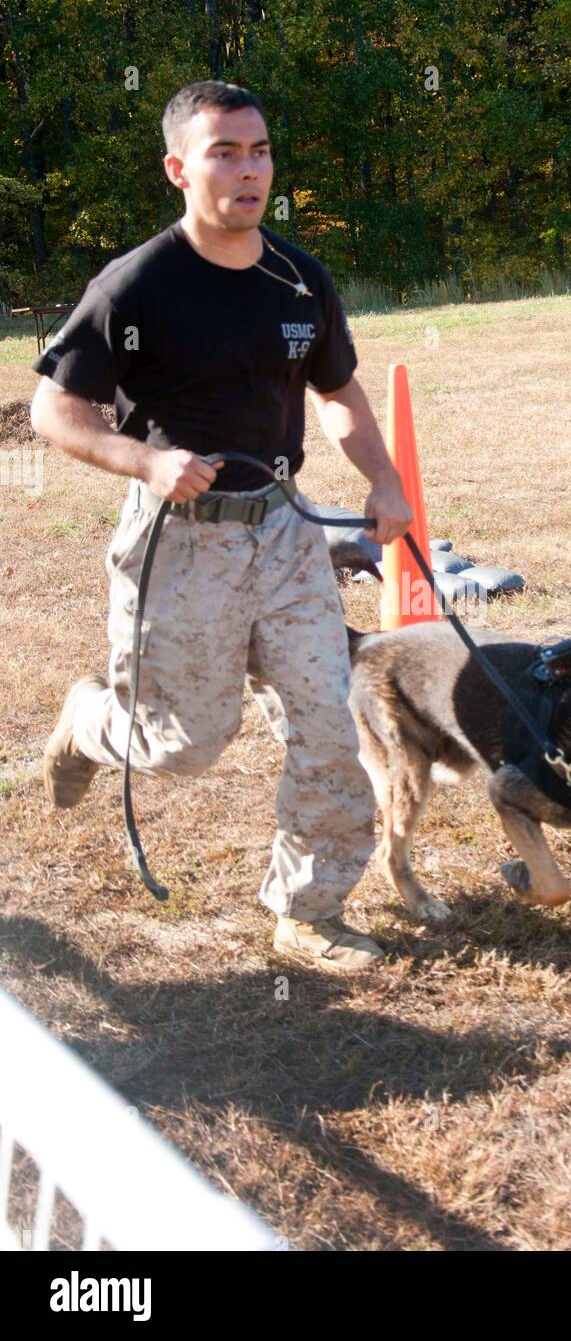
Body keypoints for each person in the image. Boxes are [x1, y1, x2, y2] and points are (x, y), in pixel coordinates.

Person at [29, 79, 412, 970]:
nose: (249, 171)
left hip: (284, 533)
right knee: (182, 746)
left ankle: (308, 911)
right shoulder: (137, 285)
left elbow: (337, 390)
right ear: (179, 168)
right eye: (224, 153)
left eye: (260, 150)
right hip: (181, 540)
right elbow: (54, 409)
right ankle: (90, 722)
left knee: (328, 723)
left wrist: (386, 482)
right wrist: (147, 462)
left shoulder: (298, 276)